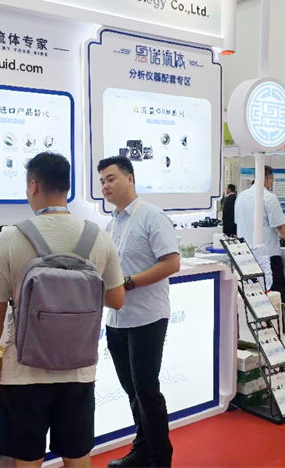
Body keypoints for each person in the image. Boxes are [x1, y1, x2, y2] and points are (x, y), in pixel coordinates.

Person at [0, 152, 125, 467]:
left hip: (24, 373)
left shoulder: (11, 238)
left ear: (33, 185)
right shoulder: (98, 236)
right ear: (66, 187)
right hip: (79, 372)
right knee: (77, 456)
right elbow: (116, 300)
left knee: (27, 459)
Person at [97, 155, 180, 468]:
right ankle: (143, 450)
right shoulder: (112, 224)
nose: (105, 186)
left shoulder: (151, 216)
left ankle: (160, 458)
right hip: (117, 318)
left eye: (111, 178)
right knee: (131, 391)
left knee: (146, 390)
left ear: (129, 178)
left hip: (147, 317)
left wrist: (129, 283)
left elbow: (171, 263)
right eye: (102, 181)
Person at [234, 166, 285, 331]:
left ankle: (257, 331)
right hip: (268, 256)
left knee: (253, 295)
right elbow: (282, 228)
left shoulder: (241, 197)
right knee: (276, 293)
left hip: (246, 256)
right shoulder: (269, 198)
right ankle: (282, 330)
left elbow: (237, 223)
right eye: (272, 180)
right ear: (269, 178)